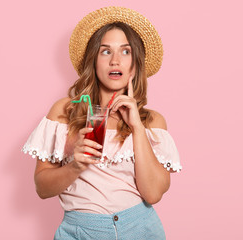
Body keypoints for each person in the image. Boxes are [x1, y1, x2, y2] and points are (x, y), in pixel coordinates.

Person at [22, 6, 181, 239]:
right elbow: (42, 189)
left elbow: (153, 194)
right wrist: (74, 166)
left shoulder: (152, 121)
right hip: (79, 231)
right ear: (93, 61)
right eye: (105, 51)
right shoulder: (65, 112)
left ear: (135, 65)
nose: (115, 60)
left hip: (140, 229)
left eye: (125, 52)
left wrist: (137, 127)